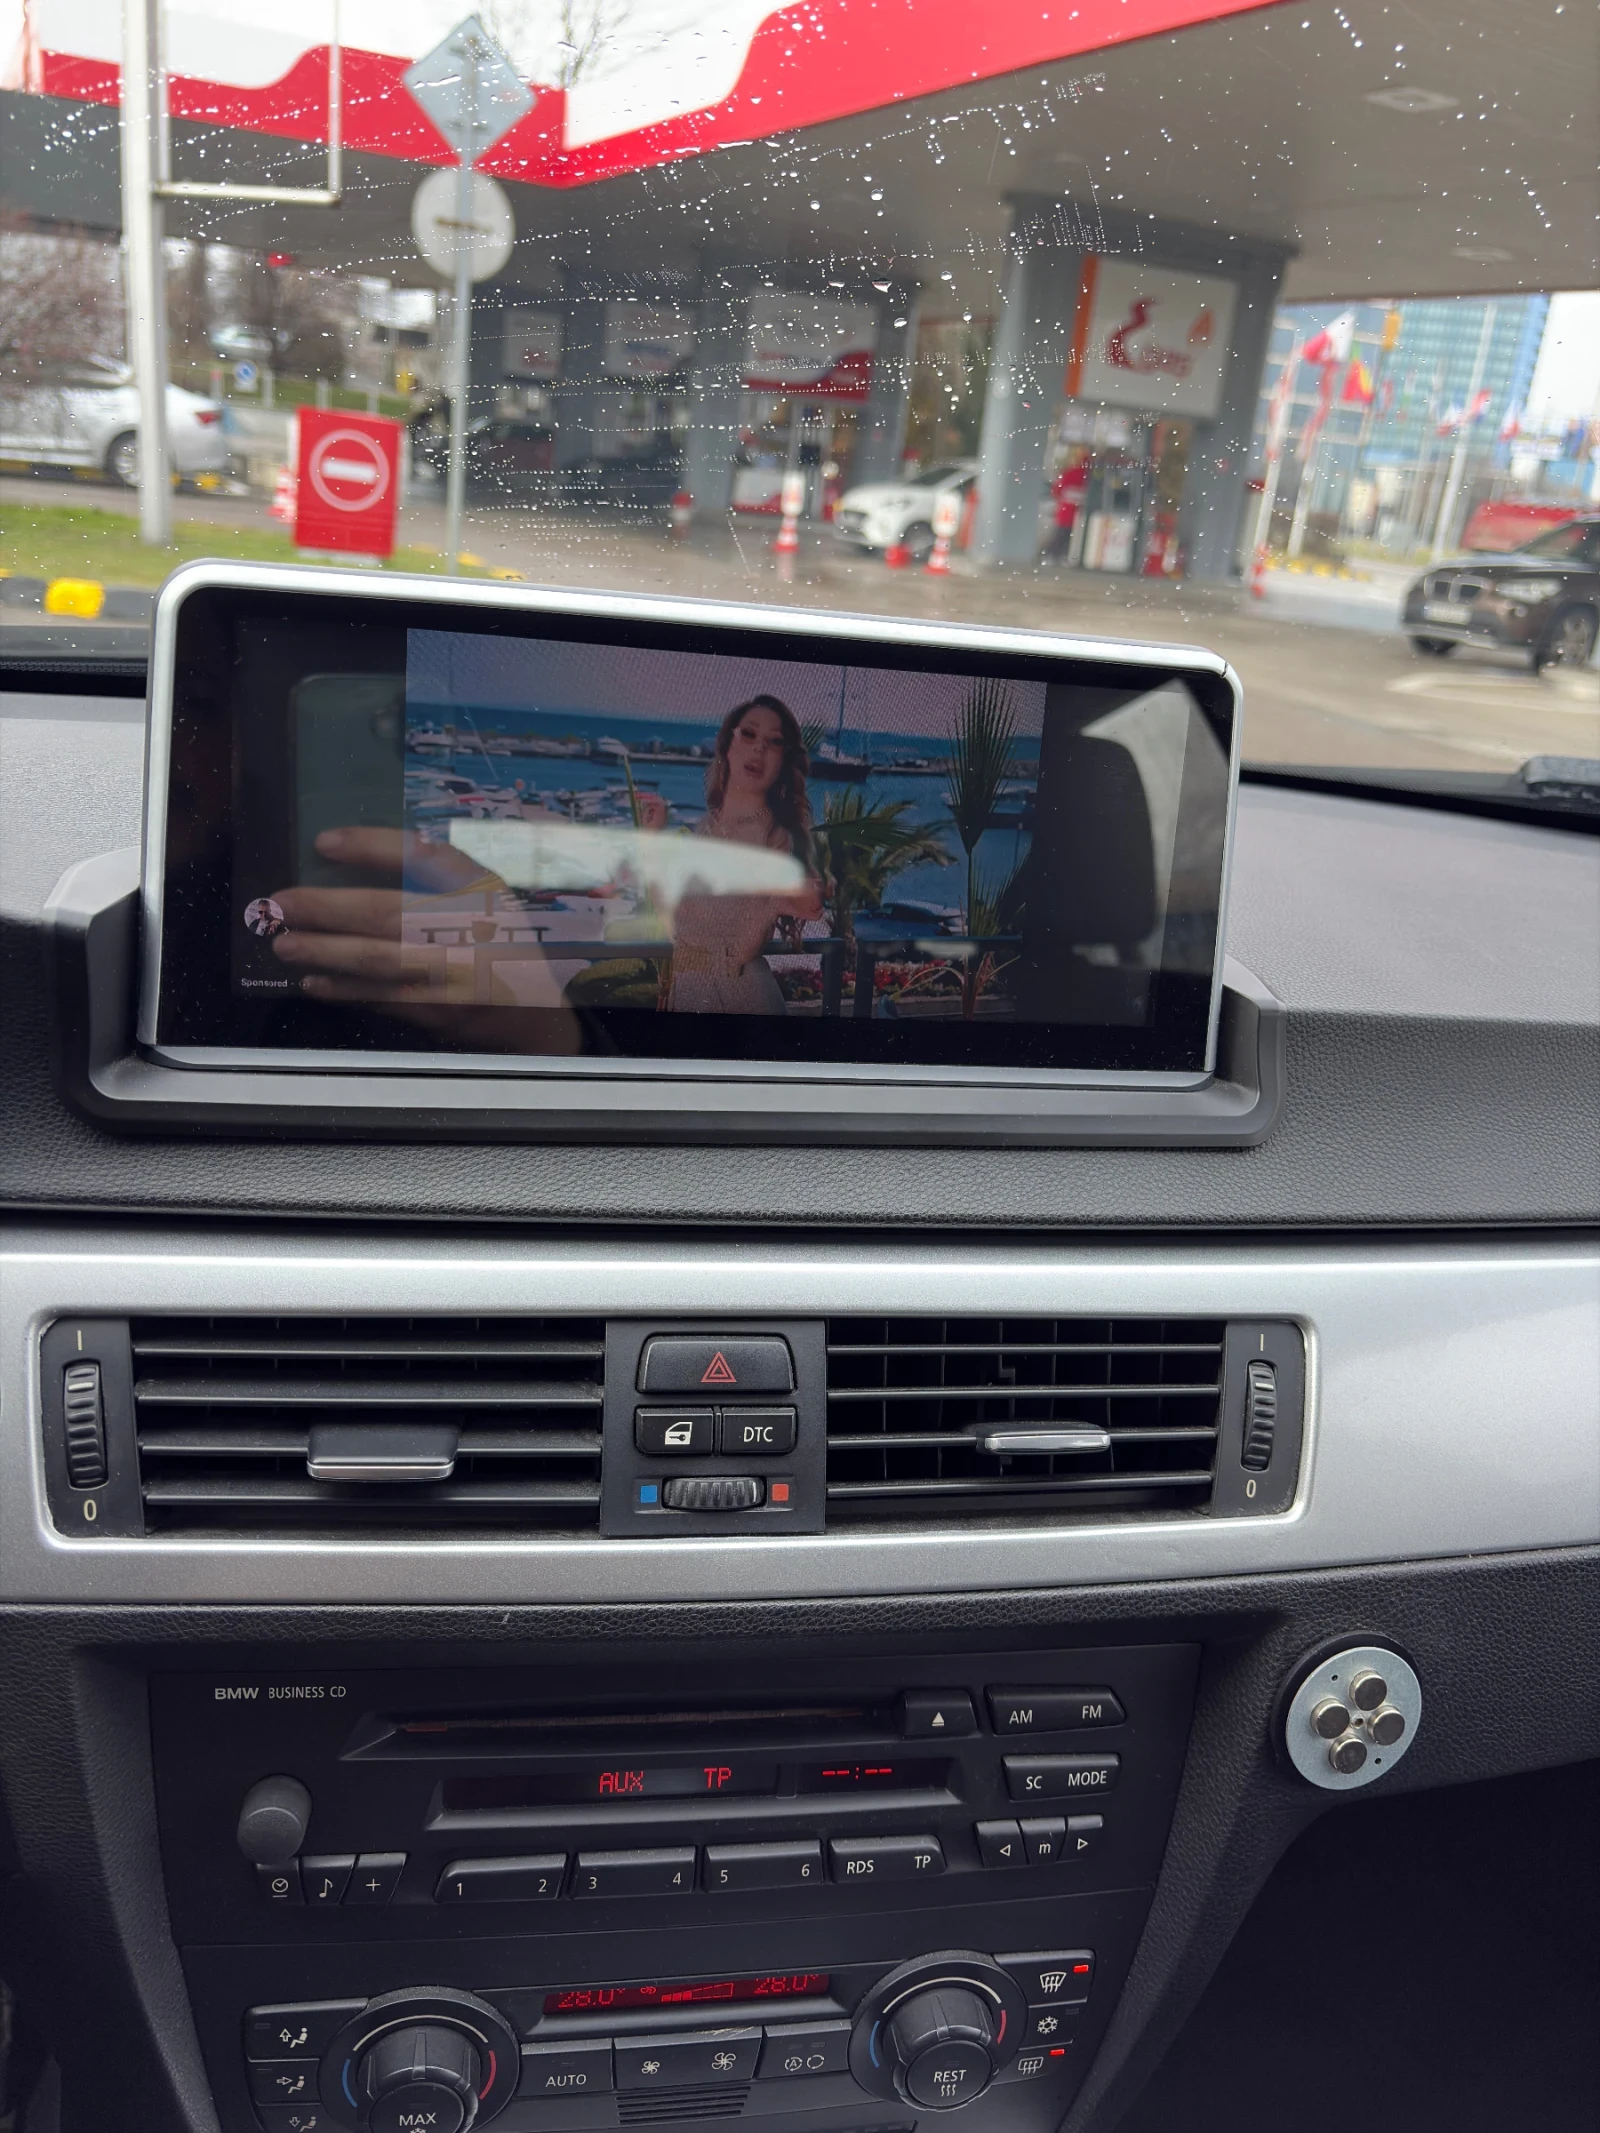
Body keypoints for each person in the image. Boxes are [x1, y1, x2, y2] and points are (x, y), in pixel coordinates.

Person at [640, 695, 822, 1014]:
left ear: (783, 761)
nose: (759, 749)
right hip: (688, 990)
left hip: (737, 995)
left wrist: (776, 903)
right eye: (748, 734)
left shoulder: (775, 838)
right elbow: (673, 919)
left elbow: (743, 946)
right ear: (728, 744)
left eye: (774, 741)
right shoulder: (707, 826)